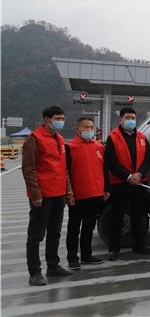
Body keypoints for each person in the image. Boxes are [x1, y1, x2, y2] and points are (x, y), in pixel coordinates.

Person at [22, 106, 74, 286]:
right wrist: (35, 194)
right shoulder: (34, 139)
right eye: (57, 118)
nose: (61, 121)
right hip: (42, 196)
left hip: (58, 194)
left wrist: (68, 191)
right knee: (36, 235)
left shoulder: (59, 138)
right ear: (47, 119)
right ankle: (34, 272)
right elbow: (28, 169)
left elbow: (63, 168)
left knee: (55, 232)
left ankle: (53, 266)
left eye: (62, 118)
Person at [105, 107, 150, 260]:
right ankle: (114, 248)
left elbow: (148, 159)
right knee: (117, 217)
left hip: (139, 183)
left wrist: (139, 174)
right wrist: (128, 176)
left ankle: (139, 245)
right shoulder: (113, 137)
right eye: (127, 118)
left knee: (138, 215)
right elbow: (111, 161)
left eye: (133, 118)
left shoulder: (141, 137)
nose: (131, 120)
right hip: (120, 183)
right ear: (121, 120)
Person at [65, 117, 111, 269]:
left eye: (91, 127)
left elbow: (104, 169)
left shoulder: (99, 146)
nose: (89, 130)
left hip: (96, 193)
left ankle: (86, 255)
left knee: (89, 227)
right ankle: (72, 258)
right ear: (78, 129)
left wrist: (106, 188)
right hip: (78, 195)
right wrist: (68, 193)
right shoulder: (70, 147)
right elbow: (65, 172)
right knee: (74, 228)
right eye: (86, 127)